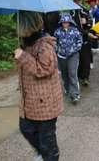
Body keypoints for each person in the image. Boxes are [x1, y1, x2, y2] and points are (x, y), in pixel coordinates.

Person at [14, 11, 63, 161]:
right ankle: (43, 153)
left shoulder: (44, 45)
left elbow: (44, 69)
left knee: (47, 140)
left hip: (45, 103)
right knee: (26, 128)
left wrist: (22, 56)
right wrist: (21, 55)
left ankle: (50, 156)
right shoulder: (28, 42)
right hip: (30, 101)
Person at [54, 14, 83, 104]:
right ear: (61, 22)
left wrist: (73, 49)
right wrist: (57, 49)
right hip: (61, 56)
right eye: (63, 22)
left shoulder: (75, 31)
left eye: (67, 22)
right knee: (64, 74)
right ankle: (67, 88)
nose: (65, 24)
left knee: (72, 73)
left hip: (73, 56)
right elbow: (54, 42)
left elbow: (79, 41)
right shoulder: (57, 32)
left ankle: (75, 94)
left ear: (70, 22)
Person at [72, 0, 98, 86]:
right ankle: (79, 75)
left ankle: (86, 77)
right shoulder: (70, 13)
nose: (77, 2)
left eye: (78, 0)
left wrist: (86, 23)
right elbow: (71, 27)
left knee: (86, 58)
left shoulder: (85, 11)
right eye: (75, 0)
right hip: (74, 40)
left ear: (80, 1)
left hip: (85, 39)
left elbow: (90, 24)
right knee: (77, 59)